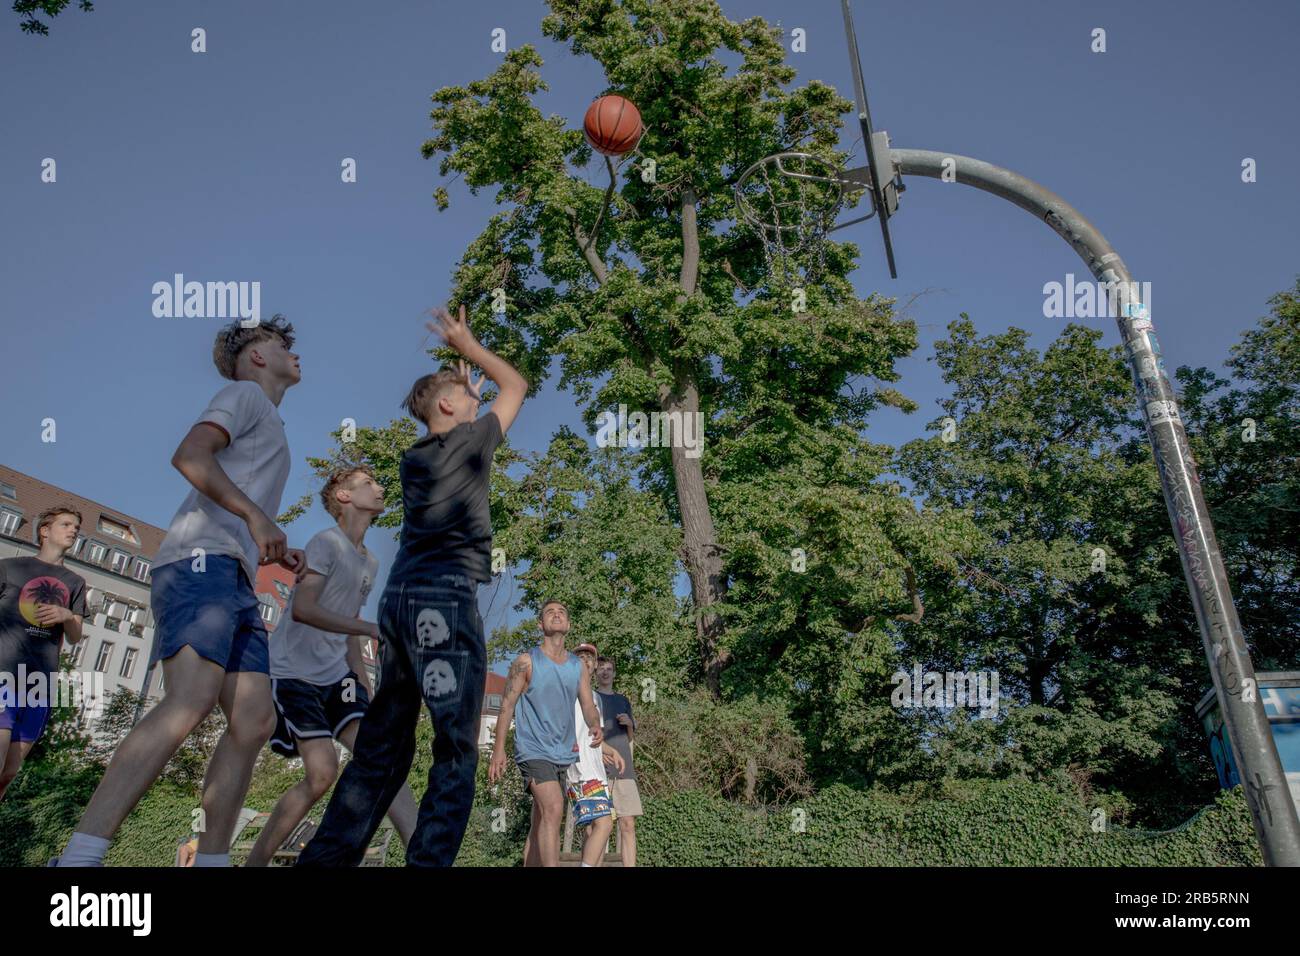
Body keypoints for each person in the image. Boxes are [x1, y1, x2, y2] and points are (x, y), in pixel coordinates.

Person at [56, 316, 306, 867]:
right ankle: (81, 856)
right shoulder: (243, 393)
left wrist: (269, 542)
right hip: (198, 563)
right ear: (256, 357)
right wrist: (256, 516)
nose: (294, 351)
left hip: (235, 574)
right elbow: (190, 456)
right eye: (281, 344)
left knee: (255, 721)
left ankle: (213, 860)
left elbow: (240, 501)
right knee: (190, 699)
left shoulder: (272, 422)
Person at [297, 303, 526, 867]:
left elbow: (472, 401)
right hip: (445, 603)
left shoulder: (416, 456)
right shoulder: (469, 444)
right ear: (449, 406)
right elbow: (516, 384)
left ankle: (323, 862)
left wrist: (460, 388)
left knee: (381, 751)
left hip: (400, 603)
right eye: (467, 396)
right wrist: (469, 347)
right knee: (454, 747)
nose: (479, 399)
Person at [246, 465, 418, 866]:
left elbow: (351, 634)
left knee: (381, 758)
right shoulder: (325, 543)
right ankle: (256, 862)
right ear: (343, 496)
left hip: (337, 677)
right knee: (321, 773)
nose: (379, 487)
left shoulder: (370, 563)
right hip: (292, 674)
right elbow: (304, 609)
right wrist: (369, 627)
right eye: (368, 483)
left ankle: (422, 854)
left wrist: (365, 687)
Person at [488, 600, 604, 867]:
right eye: (550, 612)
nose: (557, 614)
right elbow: (506, 706)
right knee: (553, 808)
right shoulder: (525, 662)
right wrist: (498, 750)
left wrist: (595, 724)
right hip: (533, 750)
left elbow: (588, 705)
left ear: (568, 624)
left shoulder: (577, 667)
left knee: (541, 820)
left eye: (562, 612)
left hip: (563, 753)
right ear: (540, 624)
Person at [0, 507, 88, 802]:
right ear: (45, 530)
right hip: (4, 674)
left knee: (9, 772)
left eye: (76, 527)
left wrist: (66, 614)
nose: (73, 530)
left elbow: (76, 637)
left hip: (39, 683)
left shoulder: (75, 583)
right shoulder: (10, 568)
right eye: (66, 524)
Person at [568, 644, 623, 867]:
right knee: (605, 823)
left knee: (594, 828)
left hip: (596, 768)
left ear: (594, 666)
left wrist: (611, 750)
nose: (585, 660)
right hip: (580, 767)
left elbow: (594, 736)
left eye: (589, 657)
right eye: (579, 656)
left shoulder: (595, 699)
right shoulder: (567, 690)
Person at [595, 655, 641, 867]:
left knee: (628, 824)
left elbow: (630, 738)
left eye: (609, 668)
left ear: (614, 673)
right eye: (601, 668)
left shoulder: (623, 700)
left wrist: (630, 723)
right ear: (595, 673)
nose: (605, 672)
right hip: (598, 770)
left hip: (624, 771)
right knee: (597, 826)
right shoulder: (590, 698)